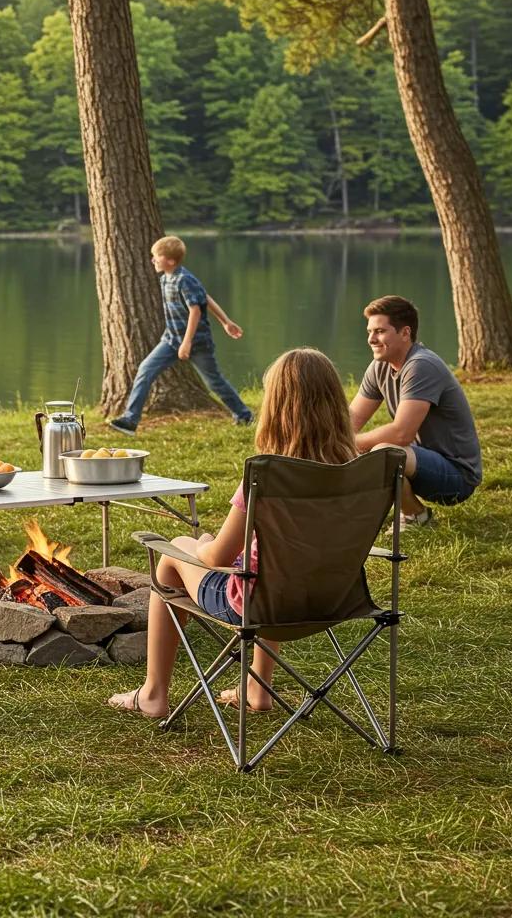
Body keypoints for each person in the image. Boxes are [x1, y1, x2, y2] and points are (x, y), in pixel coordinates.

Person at [108, 347, 358, 717]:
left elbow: (218, 558)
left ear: (276, 407)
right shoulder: (357, 472)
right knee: (276, 566)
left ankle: (153, 693)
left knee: (174, 553)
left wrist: (202, 546)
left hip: (256, 603)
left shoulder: (267, 475)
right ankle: (258, 687)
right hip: (334, 598)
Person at [349, 295, 482, 528]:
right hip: (420, 462)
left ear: (405, 333)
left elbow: (401, 434)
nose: (371, 339)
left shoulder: (421, 365)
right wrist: (326, 441)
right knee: (364, 450)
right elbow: (350, 421)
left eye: (380, 331)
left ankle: (416, 516)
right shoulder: (379, 366)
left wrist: (349, 444)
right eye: (370, 331)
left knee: (383, 452)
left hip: (457, 475)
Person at [107, 236, 252, 435]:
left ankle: (244, 414)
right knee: (145, 370)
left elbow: (196, 310)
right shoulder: (166, 278)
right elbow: (205, 296)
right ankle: (130, 420)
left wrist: (190, 341)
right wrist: (225, 322)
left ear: (171, 261)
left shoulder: (184, 279)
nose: (153, 260)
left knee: (214, 382)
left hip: (197, 343)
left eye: (156, 256)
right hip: (171, 339)